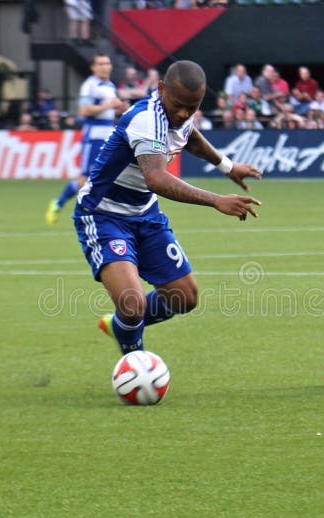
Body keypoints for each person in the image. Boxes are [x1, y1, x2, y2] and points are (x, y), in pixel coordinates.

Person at [73, 60, 262, 355]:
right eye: (178, 105)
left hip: (144, 214)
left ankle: (121, 325)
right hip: (103, 215)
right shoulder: (145, 119)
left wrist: (228, 166)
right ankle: (135, 362)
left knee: (185, 298)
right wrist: (215, 200)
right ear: (161, 89)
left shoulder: (179, 114)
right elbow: (157, 179)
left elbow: (190, 135)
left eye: (193, 106)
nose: (184, 113)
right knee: (132, 304)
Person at [46, 53, 124, 225]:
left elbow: (108, 111)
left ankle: (106, 213)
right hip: (94, 135)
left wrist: (119, 109)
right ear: (94, 68)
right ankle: (58, 203)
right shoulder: (90, 85)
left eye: (107, 63)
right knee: (84, 180)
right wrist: (107, 105)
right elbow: (82, 111)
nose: (104, 67)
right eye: (100, 64)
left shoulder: (110, 86)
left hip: (109, 134)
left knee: (111, 174)